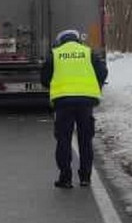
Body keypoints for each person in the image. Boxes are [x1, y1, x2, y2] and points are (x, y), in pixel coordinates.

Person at [40, 29, 108, 189]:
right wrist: (94, 83)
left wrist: (56, 84)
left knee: (64, 139)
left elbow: (44, 78)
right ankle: (85, 177)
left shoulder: (55, 54)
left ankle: (65, 178)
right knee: (85, 140)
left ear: (60, 41)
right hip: (86, 102)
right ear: (78, 40)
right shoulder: (88, 52)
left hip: (63, 102)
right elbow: (103, 72)